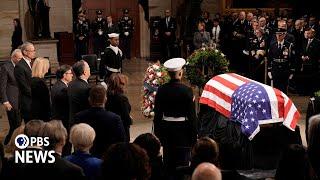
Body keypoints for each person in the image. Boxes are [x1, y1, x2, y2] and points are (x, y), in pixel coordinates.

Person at [153, 58, 197, 177]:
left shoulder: (161, 90)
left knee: (168, 162)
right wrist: (194, 137)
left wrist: (157, 133)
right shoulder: (187, 90)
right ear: (180, 73)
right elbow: (192, 116)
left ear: (168, 73)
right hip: (183, 132)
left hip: (167, 130)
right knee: (183, 163)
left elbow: (157, 114)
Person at [74, 85, 126, 158]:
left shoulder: (79, 117)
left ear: (89, 99)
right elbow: (122, 142)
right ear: (105, 99)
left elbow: (75, 141)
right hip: (108, 159)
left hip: (85, 158)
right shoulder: (114, 119)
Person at [0, 49, 23, 145]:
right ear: (13, 57)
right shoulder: (5, 67)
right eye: (19, 58)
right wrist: (5, 101)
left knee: (16, 124)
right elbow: (2, 86)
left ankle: (8, 143)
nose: (21, 60)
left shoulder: (20, 65)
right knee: (16, 124)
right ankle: (11, 144)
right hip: (11, 100)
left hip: (21, 99)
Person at [267, 28, 296, 94]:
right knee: (276, 88)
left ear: (284, 35)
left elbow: (292, 58)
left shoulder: (289, 45)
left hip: (284, 68)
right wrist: (269, 70)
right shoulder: (273, 45)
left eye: (280, 34)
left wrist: (292, 70)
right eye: (277, 34)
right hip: (275, 68)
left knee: (284, 87)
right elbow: (270, 58)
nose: (278, 36)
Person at [105, 73, 132, 141]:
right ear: (120, 85)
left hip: (109, 130)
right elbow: (126, 119)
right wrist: (130, 119)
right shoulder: (122, 99)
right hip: (121, 131)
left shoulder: (106, 96)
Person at [14, 42, 35, 123]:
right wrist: (36, 95)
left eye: (34, 50)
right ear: (25, 52)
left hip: (34, 102)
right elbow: (24, 86)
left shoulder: (32, 63)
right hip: (27, 103)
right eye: (32, 51)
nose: (34, 52)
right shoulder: (19, 66)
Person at [51, 65, 73, 130]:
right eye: (70, 73)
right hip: (62, 121)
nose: (72, 75)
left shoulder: (57, 84)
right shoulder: (63, 89)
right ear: (64, 75)